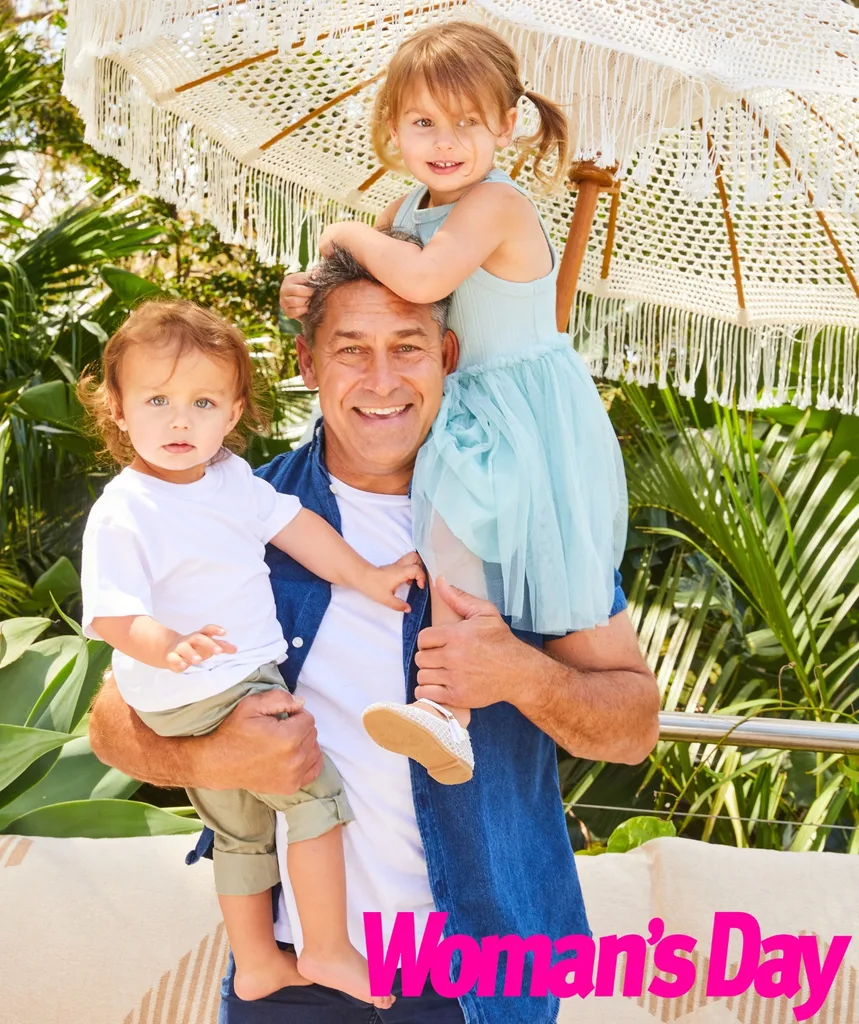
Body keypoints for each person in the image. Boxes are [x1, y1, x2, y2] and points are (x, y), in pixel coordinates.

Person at [90, 243, 661, 1024]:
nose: (382, 380)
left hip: (477, 975)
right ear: (306, 361)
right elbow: (114, 725)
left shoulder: (529, 525)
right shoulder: (233, 511)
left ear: (448, 356)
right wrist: (213, 752)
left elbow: (631, 728)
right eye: (351, 350)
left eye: (408, 348)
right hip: (290, 976)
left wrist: (521, 675)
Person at [281, 21, 628, 789]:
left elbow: (425, 279)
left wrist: (342, 226)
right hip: (463, 401)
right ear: (393, 127)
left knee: (451, 542)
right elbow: (355, 286)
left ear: (505, 126)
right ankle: (445, 707)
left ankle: (448, 707)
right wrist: (305, 285)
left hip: (512, 408)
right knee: (448, 543)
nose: (445, 140)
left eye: (468, 122)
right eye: (422, 122)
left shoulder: (495, 205)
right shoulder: (409, 202)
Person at [77, 301, 429, 1007]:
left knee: (241, 834)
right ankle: (327, 949)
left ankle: (260, 961)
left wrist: (364, 574)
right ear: (116, 410)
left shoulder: (233, 482)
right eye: (157, 401)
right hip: (215, 687)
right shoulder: (126, 507)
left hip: (210, 681)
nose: (180, 421)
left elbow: (296, 528)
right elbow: (112, 614)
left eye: (202, 402)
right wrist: (168, 645)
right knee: (317, 800)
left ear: (234, 412)